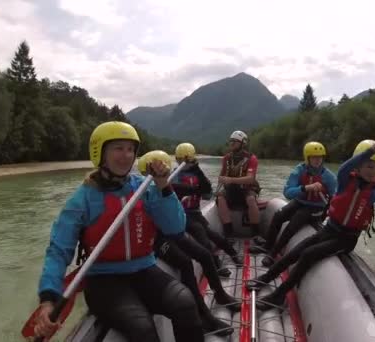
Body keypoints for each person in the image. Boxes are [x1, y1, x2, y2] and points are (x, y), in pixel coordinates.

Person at [33, 121, 204, 342]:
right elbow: (58, 251)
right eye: (118, 148)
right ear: (100, 153)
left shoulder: (145, 188)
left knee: (185, 302)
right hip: (104, 280)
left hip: (144, 269)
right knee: (142, 328)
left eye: (130, 149)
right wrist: (48, 299)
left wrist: (164, 186)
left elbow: (175, 227)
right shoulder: (82, 199)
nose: (126, 155)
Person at [246, 139, 375, 310]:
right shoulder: (345, 179)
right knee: (295, 251)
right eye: (367, 166)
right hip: (330, 228)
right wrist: (372, 150)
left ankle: (279, 296)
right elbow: (345, 166)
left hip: (346, 239)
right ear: (358, 165)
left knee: (308, 254)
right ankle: (266, 278)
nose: (371, 171)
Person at [136, 152, 235, 336]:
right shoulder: (138, 191)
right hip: (157, 240)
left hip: (172, 232)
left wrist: (194, 166)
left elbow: (204, 190)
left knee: (205, 255)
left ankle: (219, 294)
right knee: (185, 263)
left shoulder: (171, 185)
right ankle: (204, 315)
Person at [250, 142, 337, 268]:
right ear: (307, 158)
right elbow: (288, 193)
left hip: (317, 208)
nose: (317, 160)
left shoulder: (328, 177)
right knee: (279, 215)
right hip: (300, 202)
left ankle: (272, 255)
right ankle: (267, 246)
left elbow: (335, 198)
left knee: (296, 220)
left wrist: (329, 214)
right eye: (314, 157)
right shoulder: (299, 170)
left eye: (320, 157)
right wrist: (305, 188)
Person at [171, 143, 242, 269]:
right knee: (201, 234)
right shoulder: (174, 176)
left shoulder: (197, 174)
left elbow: (207, 195)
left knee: (214, 234)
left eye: (186, 161)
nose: (184, 163)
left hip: (195, 213)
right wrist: (197, 189)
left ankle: (233, 254)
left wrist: (197, 170)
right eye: (181, 160)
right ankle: (216, 264)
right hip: (181, 214)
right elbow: (182, 191)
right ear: (176, 160)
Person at [216, 130, 261, 236]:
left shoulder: (252, 158)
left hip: (247, 189)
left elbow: (250, 179)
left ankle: (256, 234)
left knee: (250, 199)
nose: (231, 144)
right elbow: (222, 177)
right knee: (220, 198)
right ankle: (228, 232)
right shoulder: (226, 158)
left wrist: (231, 180)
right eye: (230, 141)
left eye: (234, 141)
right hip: (230, 189)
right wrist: (219, 184)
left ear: (242, 143)